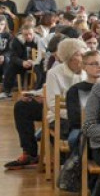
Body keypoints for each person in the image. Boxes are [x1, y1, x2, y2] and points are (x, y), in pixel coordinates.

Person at [6, 37, 86, 167]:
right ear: (69, 56)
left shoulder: (91, 69)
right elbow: (52, 98)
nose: (84, 57)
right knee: (22, 106)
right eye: (79, 54)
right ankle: (31, 153)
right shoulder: (55, 72)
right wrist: (33, 94)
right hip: (64, 114)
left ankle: (63, 157)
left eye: (84, 53)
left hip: (79, 114)